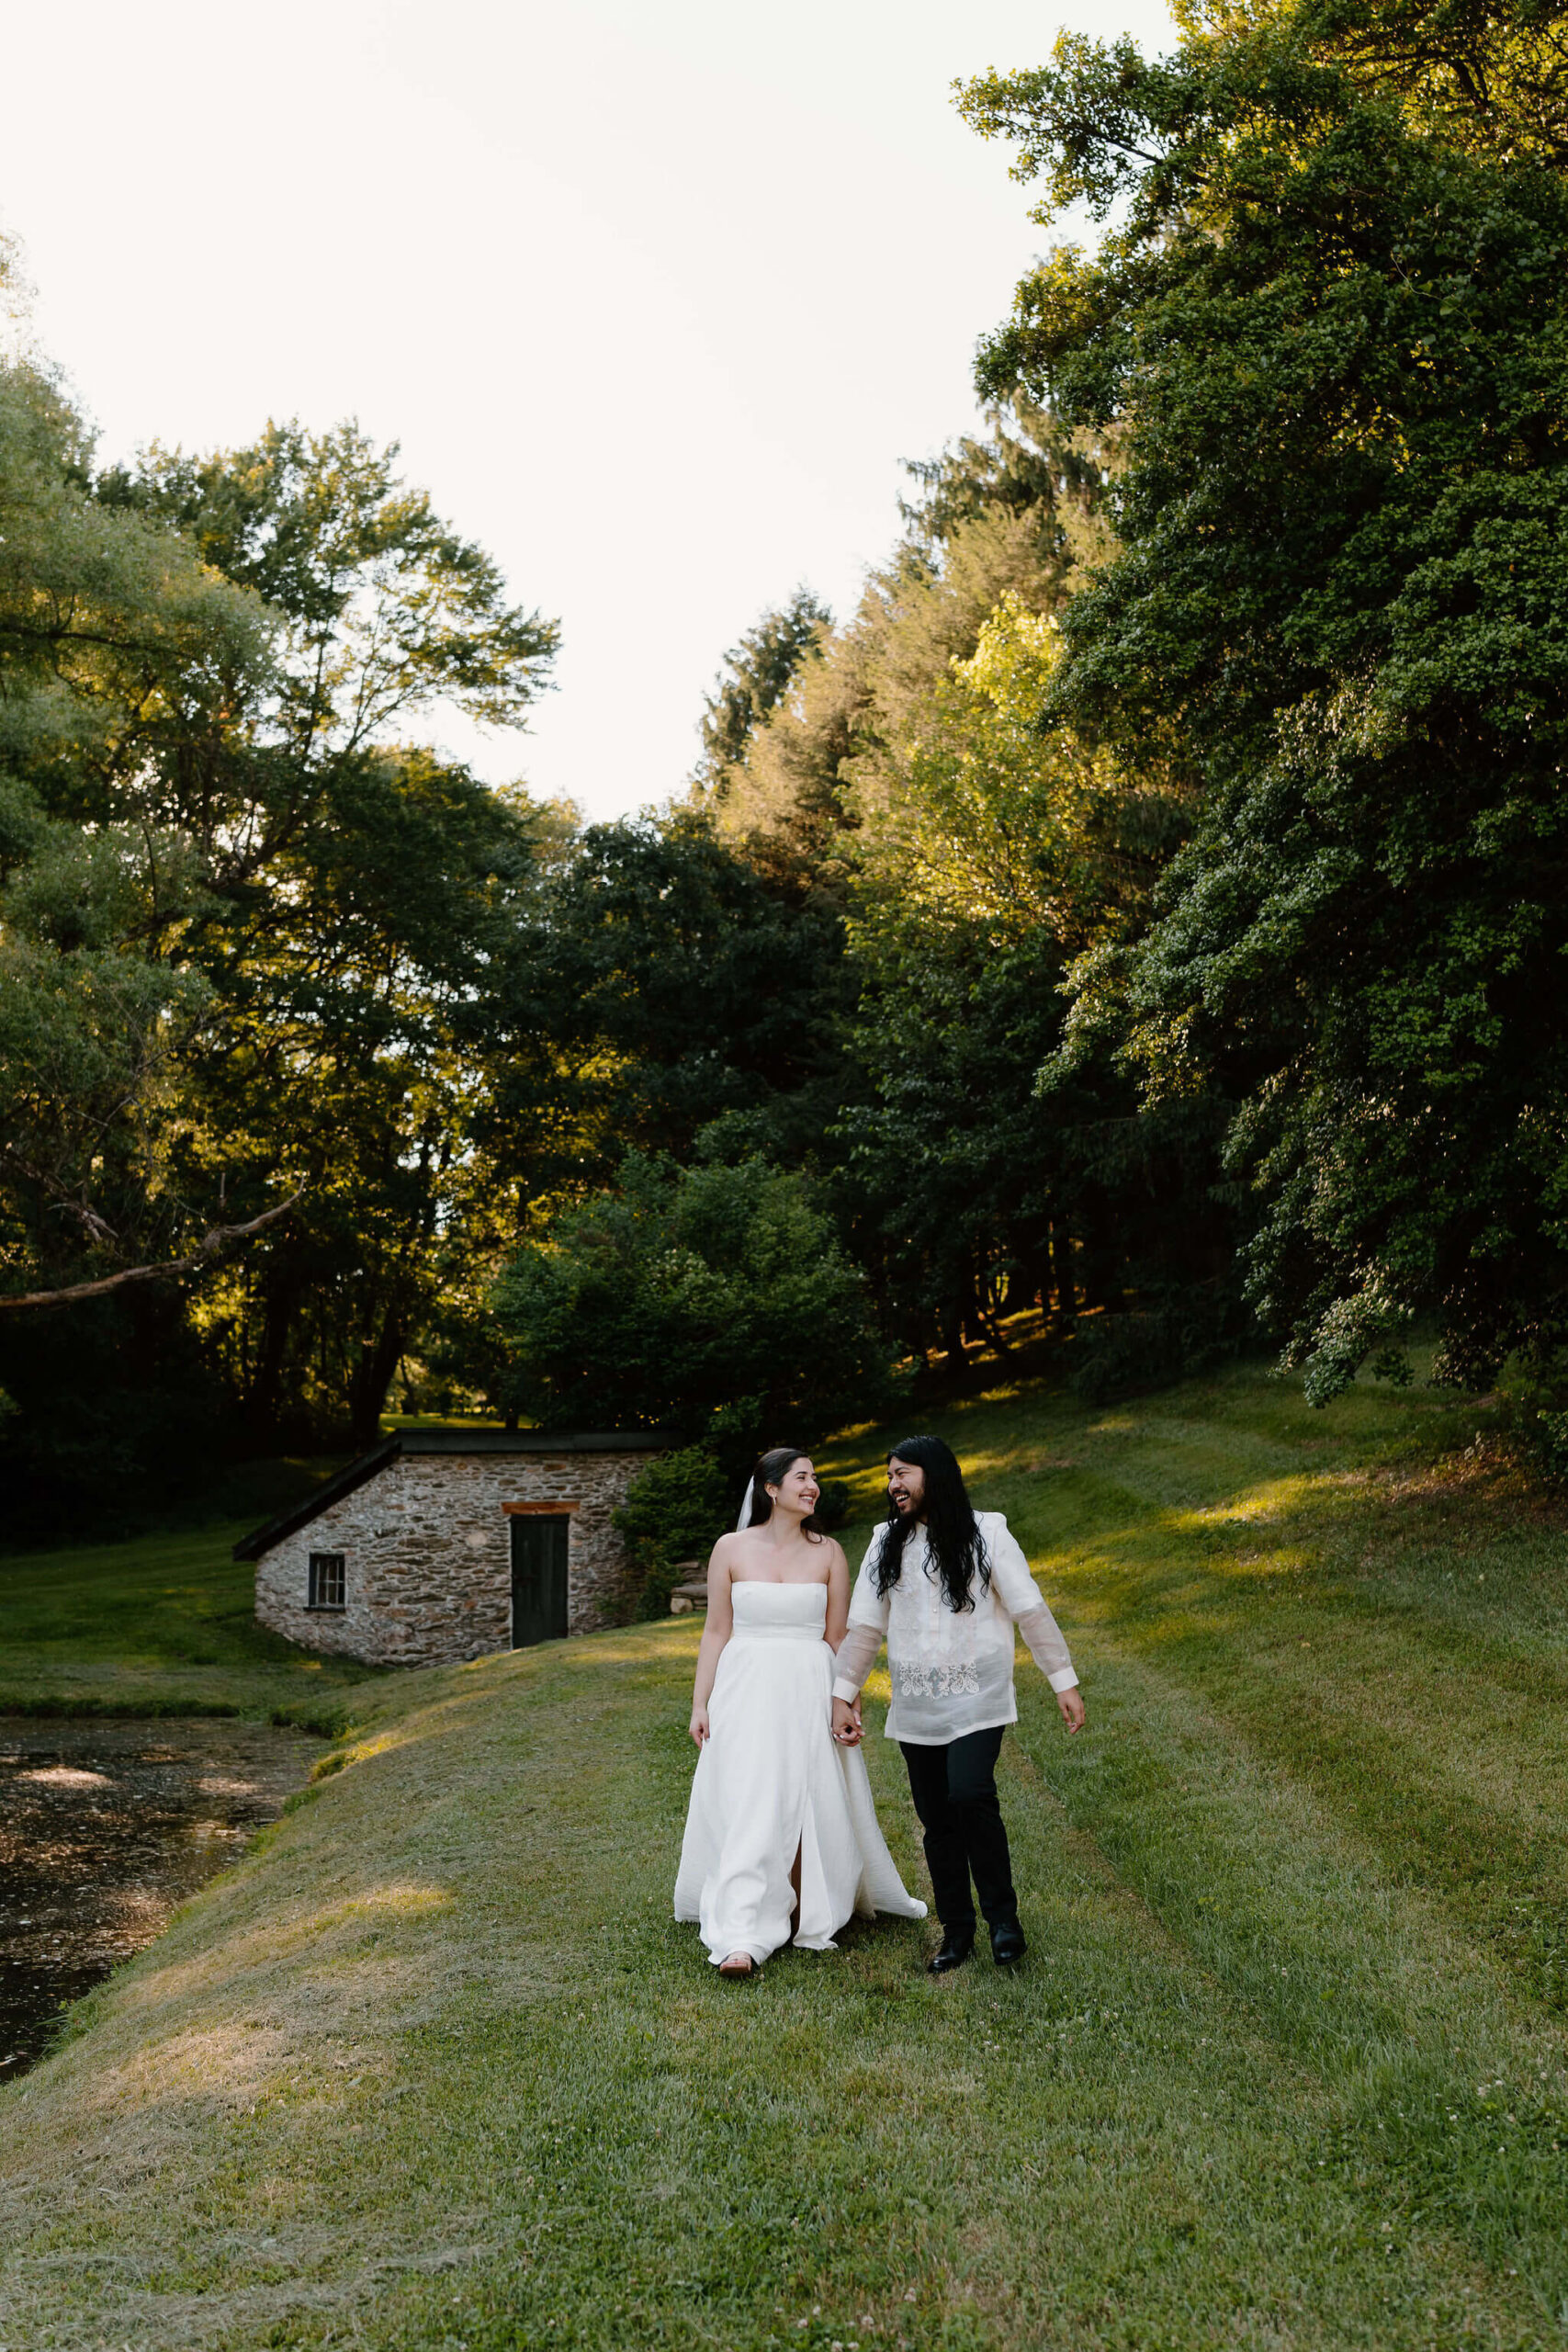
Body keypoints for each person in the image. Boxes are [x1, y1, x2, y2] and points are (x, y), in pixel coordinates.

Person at [829, 1434, 1085, 1974]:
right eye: (890, 1475)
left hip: (978, 1696)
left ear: (936, 1474)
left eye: (904, 1474)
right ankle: (957, 1930)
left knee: (971, 1794)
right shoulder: (884, 1542)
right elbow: (863, 1629)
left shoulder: (987, 1532)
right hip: (917, 1703)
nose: (893, 1485)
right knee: (936, 1819)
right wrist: (842, 1696)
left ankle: (1004, 1923)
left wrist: (1062, 1681)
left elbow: (1030, 1609)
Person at [673, 1447, 926, 1976]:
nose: (813, 1487)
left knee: (806, 1794)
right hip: (745, 1688)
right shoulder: (731, 1548)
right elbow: (716, 1631)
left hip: (809, 1685)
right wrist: (700, 1702)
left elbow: (839, 1637)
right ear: (771, 1489)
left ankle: (803, 1900)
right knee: (752, 1797)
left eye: (814, 1478)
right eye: (802, 1478)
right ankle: (744, 1932)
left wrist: (847, 1701)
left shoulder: (829, 1552)